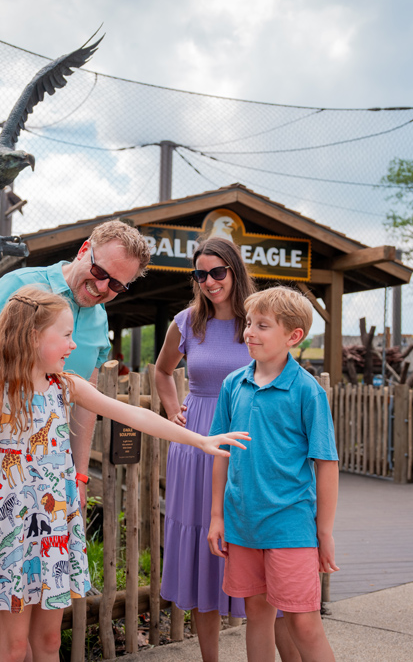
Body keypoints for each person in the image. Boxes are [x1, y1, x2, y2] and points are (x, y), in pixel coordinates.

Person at [0, 286, 251, 662]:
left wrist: (199, 440)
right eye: (65, 336)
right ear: (33, 337)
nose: (72, 346)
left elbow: (134, 414)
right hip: (14, 534)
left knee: (49, 641)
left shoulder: (65, 385)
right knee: (14, 649)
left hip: (56, 529)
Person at [0, 220, 151, 662]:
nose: (103, 288)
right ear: (86, 249)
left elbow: (80, 403)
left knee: (30, 582)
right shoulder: (21, 285)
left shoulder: (98, 317)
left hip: (40, 478)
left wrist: (79, 474)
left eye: (117, 286)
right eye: (101, 273)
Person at [157, 238, 306, 662]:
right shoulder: (187, 322)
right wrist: (174, 411)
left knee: (260, 548)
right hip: (198, 444)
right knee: (203, 553)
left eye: (217, 272)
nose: (208, 282)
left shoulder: (259, 321)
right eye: (199, 274)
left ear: (235, 271)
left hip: (251, 441)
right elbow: (163, 371)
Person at [208, 286, 340, 662]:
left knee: (304, 624)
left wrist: (325, 532)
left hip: (290, 525)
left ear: (293, 336)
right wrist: (217, 516)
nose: (249, 331)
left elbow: (326, 464)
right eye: (249, 323)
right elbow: (221, 450)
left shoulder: (307, 392)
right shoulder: (233, 384)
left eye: (262, 325)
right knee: (257, 616)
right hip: (243, 523)